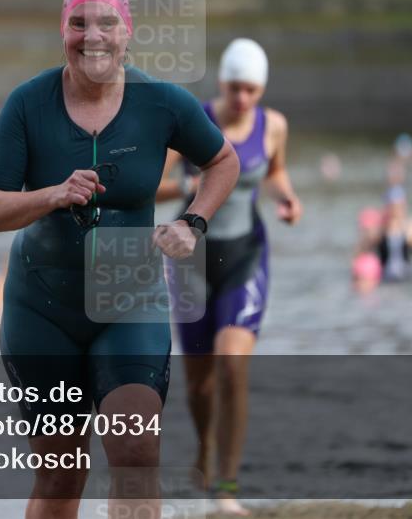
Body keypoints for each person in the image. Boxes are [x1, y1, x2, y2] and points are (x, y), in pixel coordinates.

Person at [0, 0, 240, 519]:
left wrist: (192, 222)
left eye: (106, 23)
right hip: (42, 308)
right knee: (61, 474)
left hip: (131, 299)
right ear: (62, 31)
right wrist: (52, 194)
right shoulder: (28, 104)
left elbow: (222, 160)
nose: (92, 35)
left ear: (128, 33)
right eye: (78, 23)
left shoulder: (162, 102)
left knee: (136, 450)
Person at [156, 37, 302, 516]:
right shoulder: (193, 119)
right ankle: (203, 448)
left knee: (232, 363)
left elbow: (275, 172)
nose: (242, 99)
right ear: (222, 82)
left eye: (251, 91)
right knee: (199, 384)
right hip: (192, 260)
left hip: (245, 254)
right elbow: (151, 184)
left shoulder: (273, 126)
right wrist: (186, 185)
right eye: (235, 88)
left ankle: (227, 486)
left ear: (261, 90)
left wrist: (287, 197)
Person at [372, 185, 412, 282]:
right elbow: (361, 251)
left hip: (406, 276)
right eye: (388, 205)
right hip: (385, 277)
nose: (391, 209)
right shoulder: (379, 228)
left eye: (394, 206)